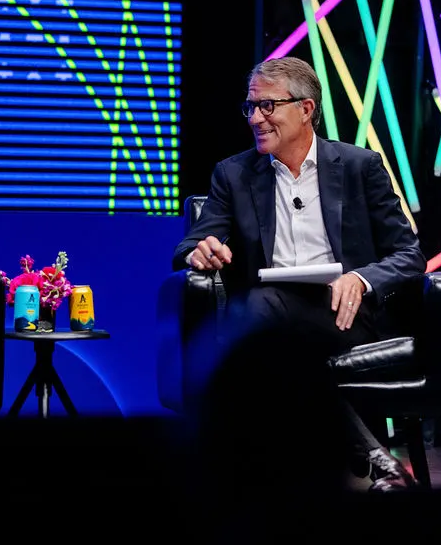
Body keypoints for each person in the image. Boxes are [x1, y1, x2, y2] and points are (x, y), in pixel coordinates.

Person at [173, 56, 426, 491]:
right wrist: (201, 250)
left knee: (261, 317)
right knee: (264, 308)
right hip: (269, 317)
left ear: (306, 109)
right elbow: (191, 244)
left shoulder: (358, 166)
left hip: (346, 317)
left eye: (267, 106)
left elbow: (409, 255)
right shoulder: (233, 174)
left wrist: (360, 279)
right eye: (250, 107)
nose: (255, 118)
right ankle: (373, 456)